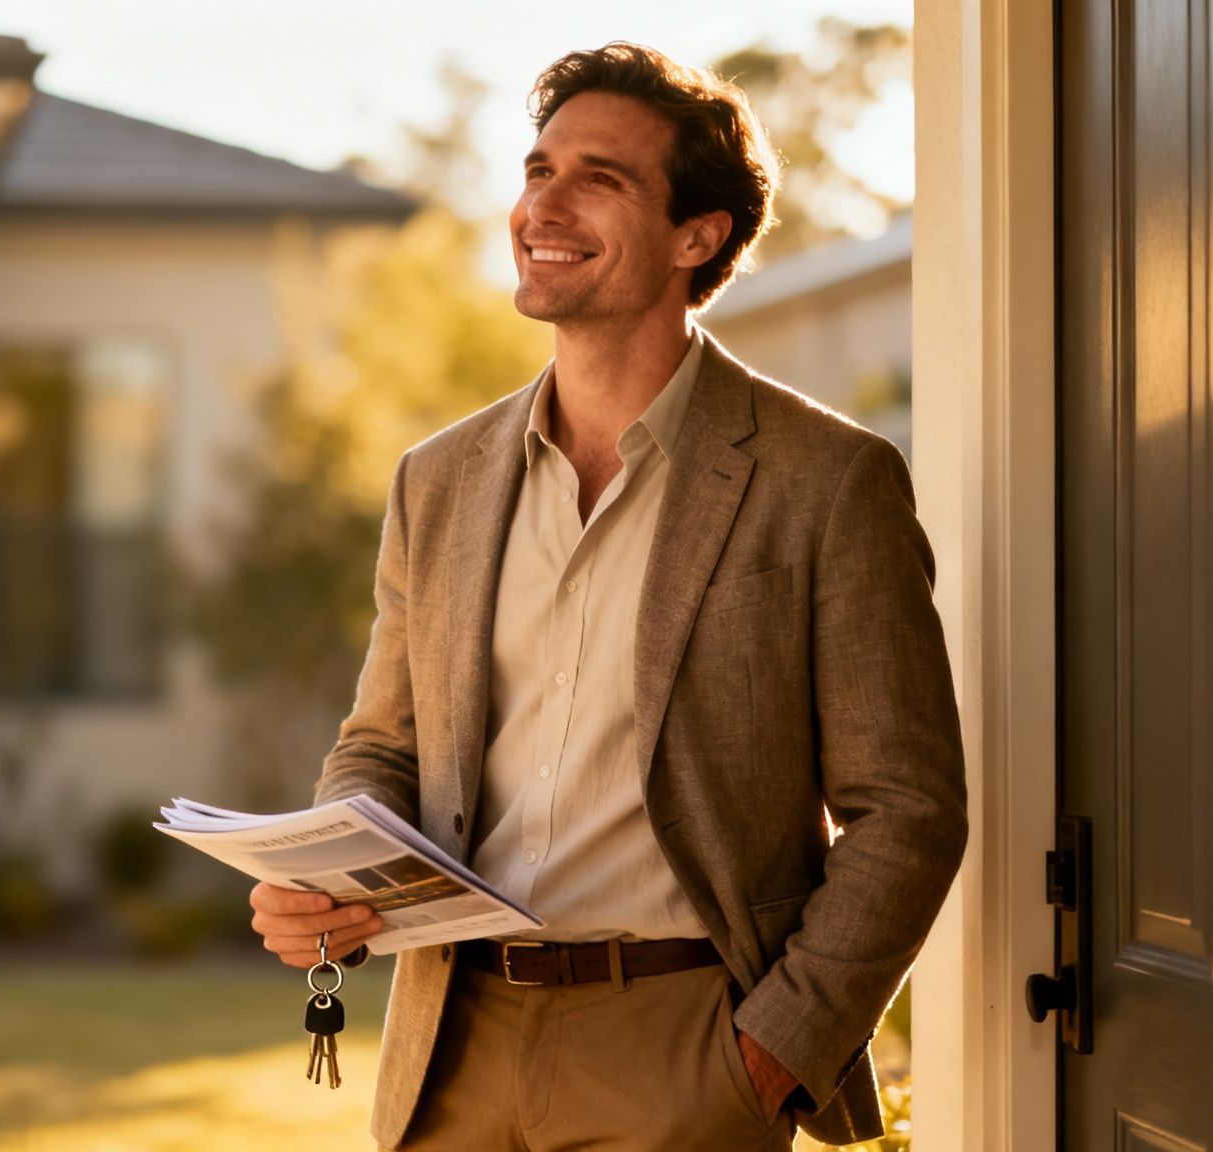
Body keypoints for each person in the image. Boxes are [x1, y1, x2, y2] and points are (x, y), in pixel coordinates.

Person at [247, 42, 966, 1151]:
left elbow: (908, 809)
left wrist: (769, 1053)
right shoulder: (435, 481)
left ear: (697, 235)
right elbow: (384, 747)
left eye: (600, 177)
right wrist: (324, 882)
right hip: (452, 1045)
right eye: (537, 169)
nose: (545, 200)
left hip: (684, 1047)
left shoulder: (825, 481)